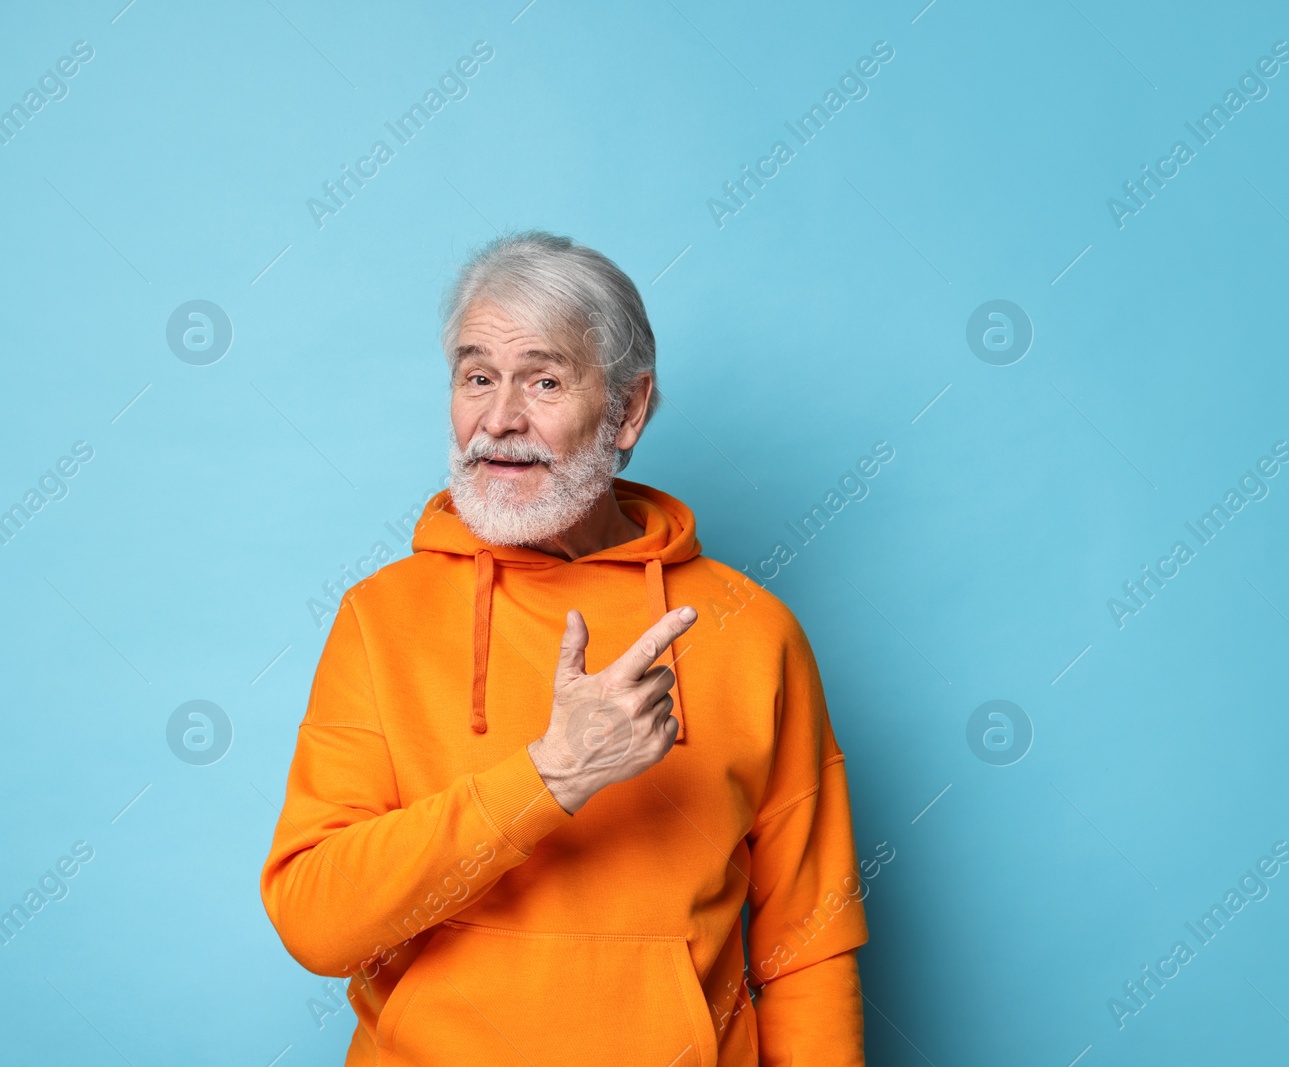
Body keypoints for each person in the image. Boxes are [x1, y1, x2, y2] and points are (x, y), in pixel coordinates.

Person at [259, 230, 870, 1065]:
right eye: (477, 377)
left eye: (544, 380)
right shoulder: (379, 617)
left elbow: (811, 944)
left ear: (627, 409)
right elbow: (316, 922)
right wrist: (548, 778)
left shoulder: (754, 630)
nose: (500, 419)